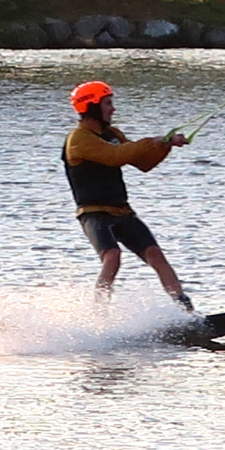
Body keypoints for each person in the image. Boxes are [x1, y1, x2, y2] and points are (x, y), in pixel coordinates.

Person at [61, 80, 194, 311]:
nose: (113, 109)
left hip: (122, 210)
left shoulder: (112, 134)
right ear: (92, 107)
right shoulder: (79, 139)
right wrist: (151, 141)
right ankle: (99, 312)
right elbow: (115, 156)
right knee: (112, 256)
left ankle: (185, 310)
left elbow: (143, 162)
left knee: (155, 255)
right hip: (94, 213)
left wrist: (166, 145)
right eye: (108, 103)